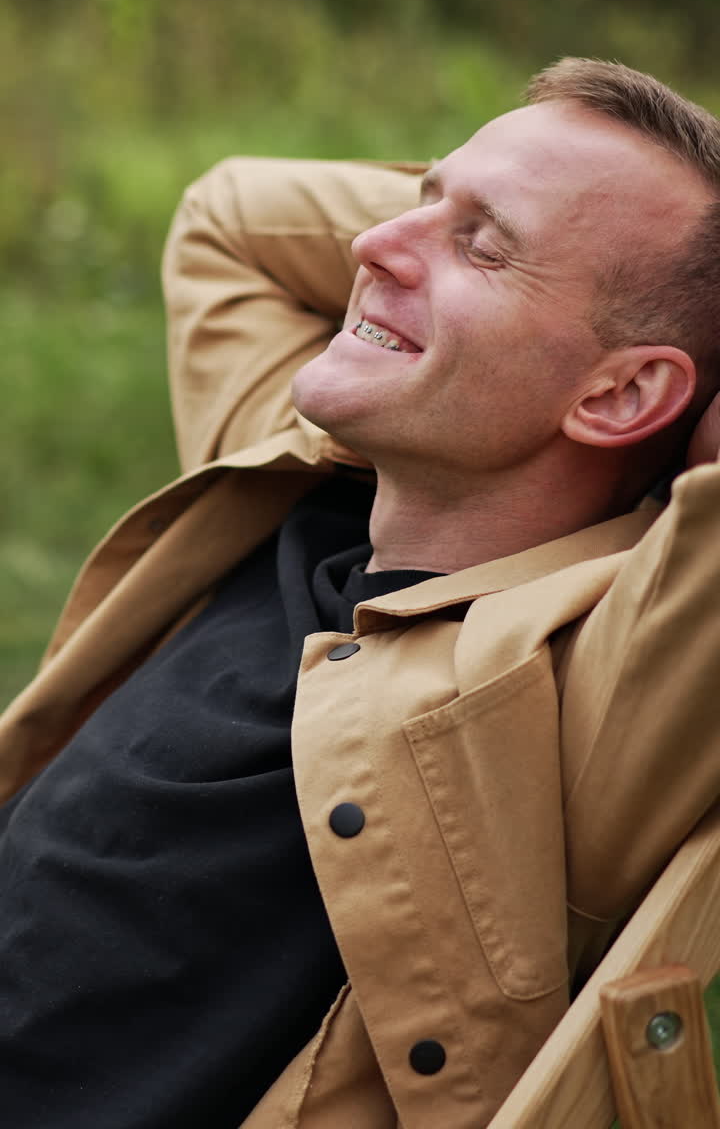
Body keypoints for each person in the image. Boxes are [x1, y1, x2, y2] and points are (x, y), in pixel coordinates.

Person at [2, 57, 720, 1129]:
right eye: (423, 197)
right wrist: (484, 207)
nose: (372, 243)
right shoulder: (301, 479)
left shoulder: (578, 698)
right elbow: (230, 217)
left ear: (623, 391)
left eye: (481, 245)